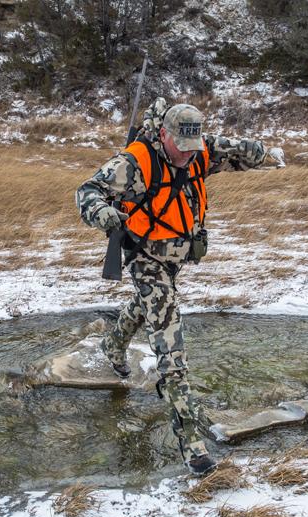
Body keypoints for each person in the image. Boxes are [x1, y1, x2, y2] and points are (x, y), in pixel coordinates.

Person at [75, 98, 266, 475]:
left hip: (175, 256)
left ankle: (113, 345)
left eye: (192, 148)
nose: (186, 156)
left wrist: (260, 153)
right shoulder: (135, 162)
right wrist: (104, 213)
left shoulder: (197, 150)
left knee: (150, 306)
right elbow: (87, 192)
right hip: (145, 257)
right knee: (170, 349)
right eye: (180, 147)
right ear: (164, 134)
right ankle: (192, 446)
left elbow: (235, 152)